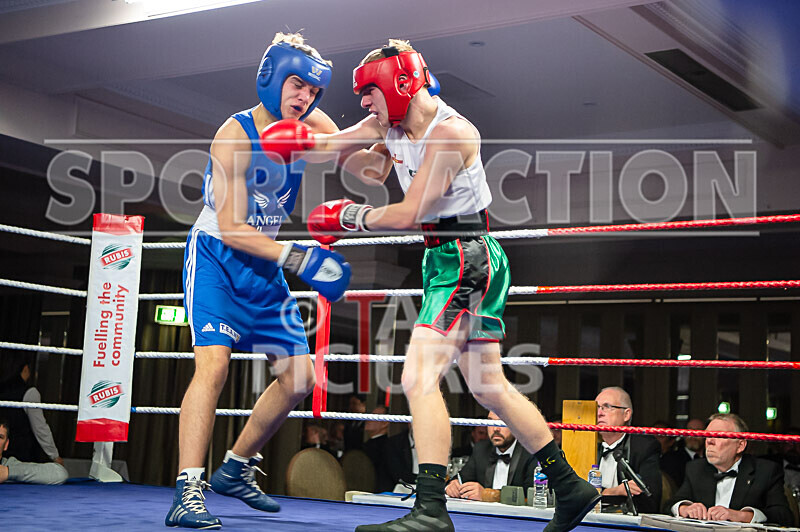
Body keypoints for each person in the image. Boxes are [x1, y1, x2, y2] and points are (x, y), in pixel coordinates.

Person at [260, 39, 600, 532]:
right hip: (453, 258)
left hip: (464, 257)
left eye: (369, 92)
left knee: (418, 379)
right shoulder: (388, 123)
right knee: (489, 386)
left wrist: (349, 215)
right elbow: (337, 145)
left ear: (398, 84)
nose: (364, 103)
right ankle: (570, 487)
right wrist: (289, 136)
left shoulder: (451, 134)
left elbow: (410, 212)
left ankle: (431, 510)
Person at [166, 32, 351, 530]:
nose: (305, 98)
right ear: (272, 78)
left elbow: (351, 152)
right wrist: (301, 260)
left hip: (265, 261)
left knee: (299, 378)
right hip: (218, 256)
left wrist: (396, 114)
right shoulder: (233, 134)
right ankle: (188, 489)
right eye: (297, 86)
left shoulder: (310, 122)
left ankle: (234, 467)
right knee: (214, 366)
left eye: (313, 92)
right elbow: (231, 227)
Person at [666, 413, 793, 526]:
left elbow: (784, 516)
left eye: (719, 436)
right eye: (707, 435)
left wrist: (742, 516)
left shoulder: (765, 470)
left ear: (740, 445)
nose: (709, 441)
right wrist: (684, 508)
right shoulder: (695, 468)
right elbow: (668, 505)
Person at [594, 387, 661, 514]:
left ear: (626, 414)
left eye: (607, 406)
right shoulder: (586, 446)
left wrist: (601, 493)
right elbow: (574, 493)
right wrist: (615, 491)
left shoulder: (644, 447)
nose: (599, 413)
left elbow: (650, 499)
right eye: (597, 407)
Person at [445, 412, 537, 500]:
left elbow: (532, 494)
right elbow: (462, 478)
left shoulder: (530, 451)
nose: (496, 428)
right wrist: (453, 485)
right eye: (491, 422)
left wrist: (487, 495)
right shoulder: (481, 449)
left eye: (502, 422)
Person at [0, 356, 65, 466]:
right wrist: (54, 455)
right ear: (25, 369)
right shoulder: (30, 393)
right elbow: (40, 427)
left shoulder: (3, 389)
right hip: (21, 458)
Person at [0, 420, 67, 485]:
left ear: (6, 444)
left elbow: (59, 473)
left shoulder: (8, 465)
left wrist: (8, 472)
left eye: (0, 437)